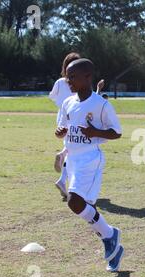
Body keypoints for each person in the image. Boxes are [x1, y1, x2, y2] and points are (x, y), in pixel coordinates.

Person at [56, 58, 124, 272]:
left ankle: (110, 235)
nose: (68, 81)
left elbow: (117, 132)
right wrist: (60, 132)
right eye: (67, 76)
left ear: (88, 77)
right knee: (88, 208)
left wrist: (96, 132)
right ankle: (113, 247)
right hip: (72, 159)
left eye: (73, 76)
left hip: (90, 159)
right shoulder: (68, 102)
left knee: (74, 202)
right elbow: (63, 126)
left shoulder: (101, 104)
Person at [49, 52, 81, 200]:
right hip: (76, 117)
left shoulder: (60, 81)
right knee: (75, 150)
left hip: (61, 117)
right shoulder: (80, 81)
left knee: (70, 147)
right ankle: (63, 180)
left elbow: (51, 96)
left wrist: (60, 104)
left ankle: (63, 178)